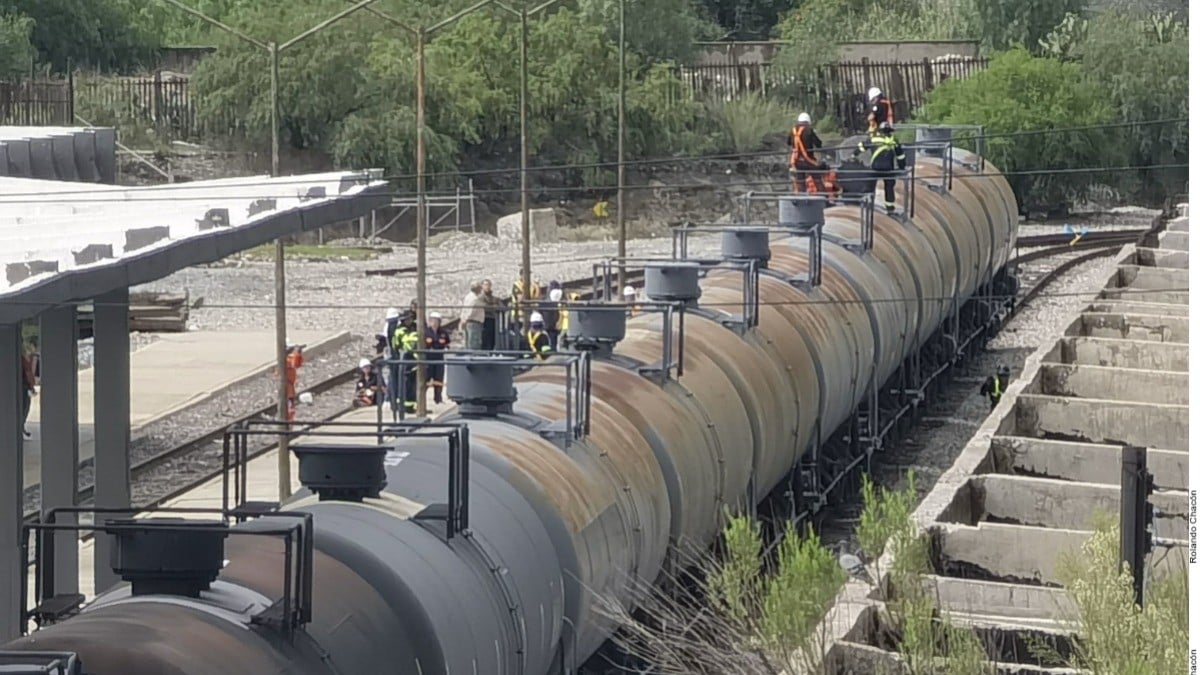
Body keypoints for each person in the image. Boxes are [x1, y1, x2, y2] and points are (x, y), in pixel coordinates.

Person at [856, 121, 907, 214]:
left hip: (875, 168)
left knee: (869, 185)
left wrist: (853, 155)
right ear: (890, 131)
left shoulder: (874, 139)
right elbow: (900, 156)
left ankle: (868, 205)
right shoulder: (894, 141)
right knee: (889, 187)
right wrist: (902, 168)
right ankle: (890, 208)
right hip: (888, 170)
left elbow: (861, 147)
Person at [391, 314, 421, 414]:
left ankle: (410, 406)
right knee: (405, 384)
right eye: (408, 319)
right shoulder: (400, 331)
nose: (410, 321)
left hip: (412, 360)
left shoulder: (413, 328)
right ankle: (403, 406)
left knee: (412, 385)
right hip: (405, 359)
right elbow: (405, 344)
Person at [787, 112, 823, 194]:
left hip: (797, 161)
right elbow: (818, 144)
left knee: (800, 182)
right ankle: (823, 196)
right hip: (809, 160)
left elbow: (788, 142)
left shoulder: (793, 131)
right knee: (817, 180)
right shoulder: (809, 130)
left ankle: (801, 197)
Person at [376, 307, 403, 408]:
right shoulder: (395, 327)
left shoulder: (387, 326)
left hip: (391, 354)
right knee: (394, 378)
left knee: (392, 377)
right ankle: (392, 399)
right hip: (395, 355)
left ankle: (390, 399)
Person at [424, 311, 451, 405]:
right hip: (428, 359)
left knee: (439, 378)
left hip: (439, 358)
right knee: (426, 379)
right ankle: (421, 399)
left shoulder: (443, 333)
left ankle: (438, 398)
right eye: (433, 321)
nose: (435, 323)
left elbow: (447, 343)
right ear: (430, 321)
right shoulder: (426, 332)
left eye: (437, 321)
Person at [283, 338, 305, 422]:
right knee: (289, 408)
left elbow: (297, 364)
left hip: (290, 389)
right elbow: (294, 363)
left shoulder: (288, 359)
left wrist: (298, 354)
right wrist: (297, 353)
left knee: (290, 408)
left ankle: (289, 422)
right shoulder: (286, 361)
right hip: (287, 389)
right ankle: (288, 423)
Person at [460, 282, 486, 350]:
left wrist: (463, 319)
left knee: (468, 342)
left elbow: (464, 309)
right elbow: (471, 311)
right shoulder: (475, 299)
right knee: (474, 342)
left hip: (468, 322)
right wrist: (466, 319)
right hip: (474, 322)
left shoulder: (467, 297)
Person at [20, 341, 36, 438]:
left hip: (24, 385)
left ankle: (20, 427)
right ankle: (20, 427)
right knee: (24, 407)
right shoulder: (22, 357)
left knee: (24, 407)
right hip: (23, 385)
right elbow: (28, 371)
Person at [480, 279, 499, 350]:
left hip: (493, 320)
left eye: (489, 285)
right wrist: (493, 307)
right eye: (485, 285)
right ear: (482, 286)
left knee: (492, 339)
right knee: (485, 339)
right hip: (484, 320)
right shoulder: (480, 297)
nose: (487, 287)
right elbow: (484, 307)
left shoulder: (493, 298)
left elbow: (500, 305)